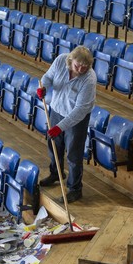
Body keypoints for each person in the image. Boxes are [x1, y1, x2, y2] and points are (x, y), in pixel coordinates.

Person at [37, 46, 96, 203]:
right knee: (53, 145)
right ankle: (56, 173)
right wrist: (43, 87)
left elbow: (80, 110)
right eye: (77, 66)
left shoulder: (89, 79)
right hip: (56, 110)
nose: (80, 70)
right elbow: (48, 77)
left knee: (73, 154)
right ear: (70, 60)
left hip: (76, 119)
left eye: (84, 67)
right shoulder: (60, 60)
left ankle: (75, 188)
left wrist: (60, 127)